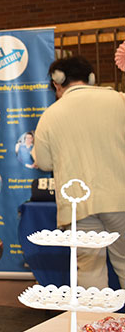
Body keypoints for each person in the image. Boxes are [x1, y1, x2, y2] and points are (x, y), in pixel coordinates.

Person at [33, 55, 125, 289]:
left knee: (89, 271)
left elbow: (43, 162)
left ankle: (92, 325)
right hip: (120, 199)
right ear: (91, 78)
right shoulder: (120, 100)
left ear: (57, 82)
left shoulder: (51, 115)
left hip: (78, 205)